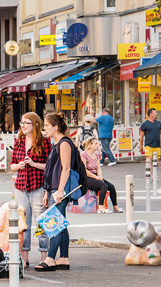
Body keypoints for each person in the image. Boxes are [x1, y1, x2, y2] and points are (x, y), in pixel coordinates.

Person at [10, 112, 52, 267]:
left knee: (41, 221)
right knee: (23, 223)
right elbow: (12, 165)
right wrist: (19, 166)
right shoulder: (19, 141)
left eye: (26, 123)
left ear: (35, 124)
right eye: (21, 123)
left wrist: (34, 164)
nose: (23, 126)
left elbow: (50, 166)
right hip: (21, 186)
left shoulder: (44, 142)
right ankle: (24, 257)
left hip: (38, 185)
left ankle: (44, 255)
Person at [37, 113, 75, 272]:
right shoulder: (56, 143)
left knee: (55, 223)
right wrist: (47, 191)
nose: (44, 128)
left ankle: (50, 258)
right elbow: (52, 170)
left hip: (61, 189)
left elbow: (66, 168)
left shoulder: (64, 143)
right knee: (60, 222)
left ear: (55, 127)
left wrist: (59, 191)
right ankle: (64, 257)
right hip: (53, 188)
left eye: (46, 125)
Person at [81, 138, 123, 214]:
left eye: (98, 144)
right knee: (103, 186)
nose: (98, 146)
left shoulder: (96, 155)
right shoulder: (84, 155)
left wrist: (100, 177)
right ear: (90, 145)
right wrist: (96, 178)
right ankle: (100, 207)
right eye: (96, 144)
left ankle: (115, 207)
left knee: (111, 186)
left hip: (95, 175)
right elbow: (84, 171)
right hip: (86, 177)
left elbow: (98, 168)